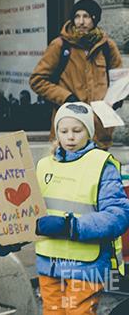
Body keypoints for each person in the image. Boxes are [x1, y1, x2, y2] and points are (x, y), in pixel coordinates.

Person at [34, 102, 129, 313]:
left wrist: (71, 226)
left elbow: (118, 215)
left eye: (77, 131)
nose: (70, 137)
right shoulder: (43, 165)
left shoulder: (102, 164)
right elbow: (30, 211)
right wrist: (5, 238)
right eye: (63, 130)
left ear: (89, 132)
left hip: (86, 265)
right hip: (49, 262)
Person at [30, 0, 123, 149]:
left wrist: (116, 100)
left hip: (99, 131)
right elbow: (37, 80)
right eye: (77, 16)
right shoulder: (60, 45)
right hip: (68, 131)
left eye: (86, 16)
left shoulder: (107, 47)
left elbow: (119, 81)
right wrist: (66, 98)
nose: (80, 22)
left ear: (95, 19)